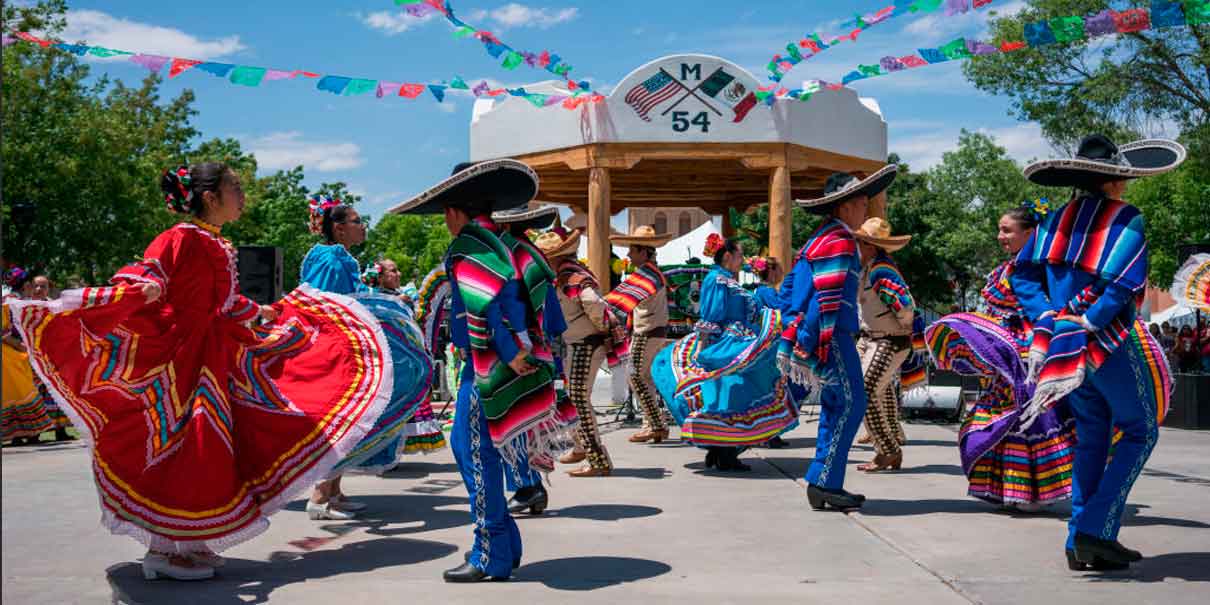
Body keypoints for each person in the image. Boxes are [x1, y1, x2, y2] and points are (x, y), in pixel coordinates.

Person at [6, 163, 396, 580]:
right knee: (175, 447)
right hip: (179, 359)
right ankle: (161, 550)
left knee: (205, 449)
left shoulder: (215, 241)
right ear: (210, 197)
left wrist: (262, 312)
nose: (242, 195)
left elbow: (223, 303)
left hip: (212, 356)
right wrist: (145, 287)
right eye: (235, 187)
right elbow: (149, 272)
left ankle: (188, 543)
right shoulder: (181, 237)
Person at [1012, 134, 1181, 570]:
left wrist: (1048, 316)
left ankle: (1079, 540)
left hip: (1062, 350)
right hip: (1104, 344)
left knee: (1092, 436)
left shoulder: (1054, 221)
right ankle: (1095, 531)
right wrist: (1089, 320)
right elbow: (1124, 284)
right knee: (1141, 430)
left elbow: (1023, 275)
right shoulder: (1126, 218)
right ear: (1114, 181)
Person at [396, 159, 563, 583]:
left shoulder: (469, 245)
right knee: (481, 455)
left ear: (454, 211)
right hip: (501, 363)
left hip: (486, 369)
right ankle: (506, 548)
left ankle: (490, 553)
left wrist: (508, 351)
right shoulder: (501, 241)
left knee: (475, 455)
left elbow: (483, 304)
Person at [926, 201, 1077, 514]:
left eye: (1007, 230)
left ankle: (1033, 491)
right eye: (999, 229)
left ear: (1030, 233)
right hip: (1007, 361)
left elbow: (1050, 313)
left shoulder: (1045, 269)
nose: (1000, 236)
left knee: (1030, 419)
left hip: (1031, 356)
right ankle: (1011, 489)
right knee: (1005, 421)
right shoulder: (1012, 269)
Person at [299, 197, 433, 519]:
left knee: (352, 419)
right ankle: (319, 496)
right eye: (357, 221)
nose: (363, 227)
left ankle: (334, 492)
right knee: (341, 419)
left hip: (345, 348)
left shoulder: (340, 257)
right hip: (337, 351)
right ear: (340, 228)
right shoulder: (331, 260)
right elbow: (329, 304)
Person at [781, 166, 898, 511]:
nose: (866, 206)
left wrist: (795, 324)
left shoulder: (819, 239)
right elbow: (826, 299)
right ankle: (826, 482)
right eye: (861, 200)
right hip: (832, 335)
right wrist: (812, 336)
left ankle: (822, 481)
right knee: (850, 404)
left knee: (838, 405)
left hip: (823, 332)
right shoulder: (841, 240)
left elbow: (790, 287)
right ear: (845, 205)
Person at [653, 235, 798, 471]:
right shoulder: (717, 280)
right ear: (728, 256)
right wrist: (705, 348)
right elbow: (712, 315)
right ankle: (724, 452)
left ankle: (722, 451)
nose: (743, 260)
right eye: (740, 255)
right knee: (732, 396)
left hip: (737, 340)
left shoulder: (727, 280)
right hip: (728, 345)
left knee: (734, 395)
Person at [490, 204, 571, 514]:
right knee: (528, 419)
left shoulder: (510, 251)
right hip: (537, 342)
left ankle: (528, 486)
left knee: (517, 418)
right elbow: (550, 311)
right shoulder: (531, 252)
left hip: (520, 345)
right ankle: (530, 485)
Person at [535, 228, 621, 477]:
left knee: (578, 400)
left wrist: (600, 326)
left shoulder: (570, 276)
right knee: (575, 397)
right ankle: (582, 447)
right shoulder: (568, 275)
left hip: (586, 343)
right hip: (581, 343)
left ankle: (598, 459)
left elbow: (593, 302)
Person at [852, 218, 918, 472]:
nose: (855, 246)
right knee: (876, 391)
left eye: (859, 242)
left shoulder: (881, 270)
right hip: (875, 339)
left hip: (887, 340)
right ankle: (890, 446)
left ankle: (888, 450)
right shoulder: (872, 268)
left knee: (865, 392)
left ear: (869, 245)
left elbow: (905, 305)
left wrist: (901, 327)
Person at [605, 226, 675, 444]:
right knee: (646, 379)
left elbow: (621, 298)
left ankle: (655, 424)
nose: (628, 255)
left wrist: (596, 305)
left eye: (632, 250)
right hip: (654, 332)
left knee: (634, 376)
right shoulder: (653, 273)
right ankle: (652, 425)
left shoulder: (646, 274)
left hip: (646, 333)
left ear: (643, 252)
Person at [2, 267, 54, 447]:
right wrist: (24, 346)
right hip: (13, 354)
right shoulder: (12, 303)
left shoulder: (11, 301)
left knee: (17, 393)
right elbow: (5, 332)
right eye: (32, 285)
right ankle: (29, 433)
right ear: (25, 285)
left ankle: (21, 434)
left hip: (14, 353)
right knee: (25, 392)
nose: (34, 288)